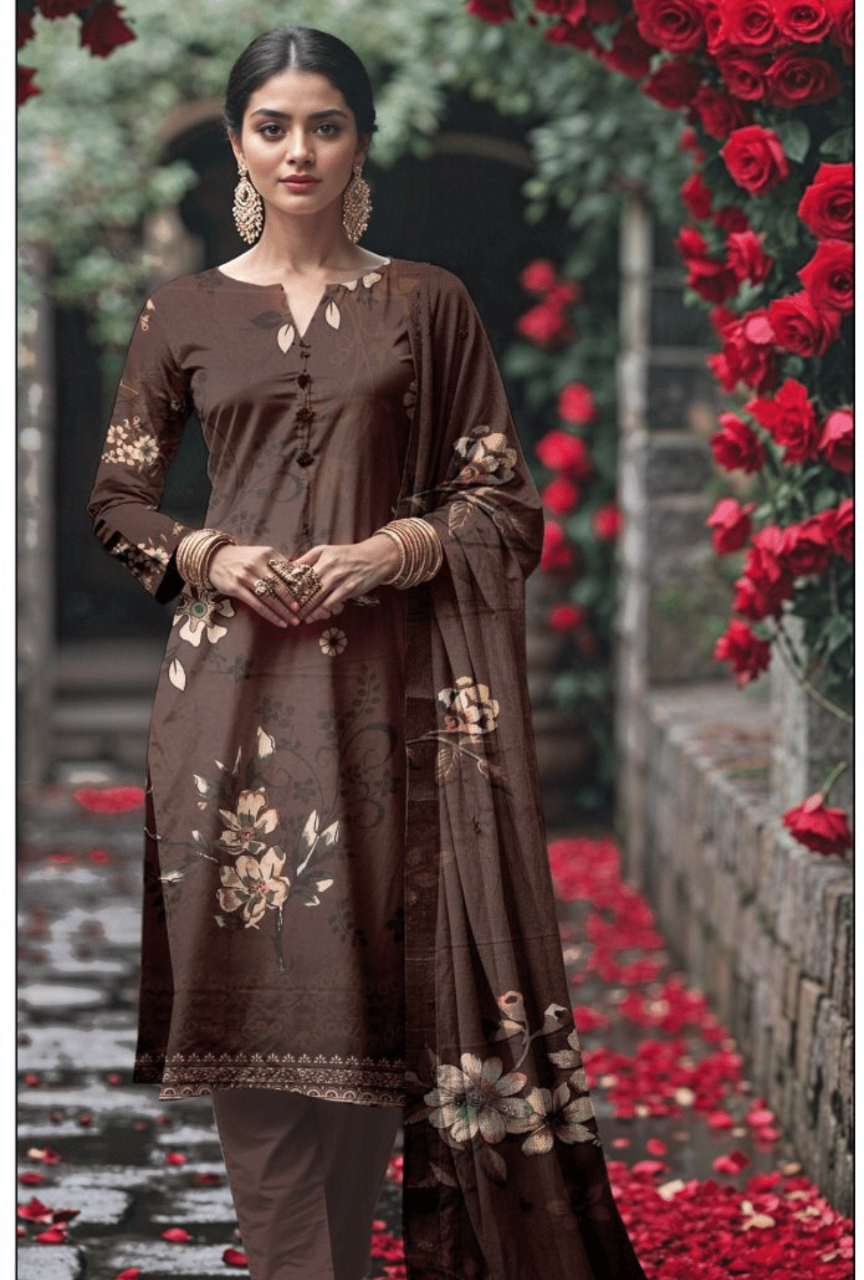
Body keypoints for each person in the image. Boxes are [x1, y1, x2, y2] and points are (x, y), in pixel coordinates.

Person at [88, 25, 647, 1280]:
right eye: (273, 125)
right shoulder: (180, 312)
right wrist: (209, 556)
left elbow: (502, 501)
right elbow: (118, 502)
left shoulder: (427, 303)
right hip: (224, 717)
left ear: (362, 142)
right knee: (255, 1034)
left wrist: (397, 547)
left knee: (362, 1039)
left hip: (388, 714)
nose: (299, 149)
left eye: (325, 123)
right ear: (237, 141)